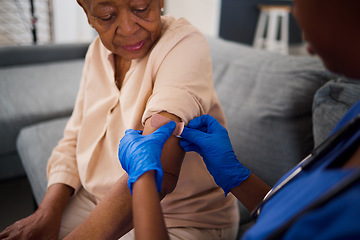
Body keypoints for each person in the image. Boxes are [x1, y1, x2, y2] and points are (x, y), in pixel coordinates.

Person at [118, 0, 360, 239]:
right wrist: (239, 178)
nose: (295, 11)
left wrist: (143, 179)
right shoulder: (353, 119)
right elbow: (293, 215)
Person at [0, 0, 239, 239]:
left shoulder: (184, 45)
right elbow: (74, 136)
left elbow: (159, 165)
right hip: (94, 198)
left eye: (141, 8)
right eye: (107, 16)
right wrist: (46, 212)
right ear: (87, 13)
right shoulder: (97, 52)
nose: (127, 28)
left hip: (182, 217)